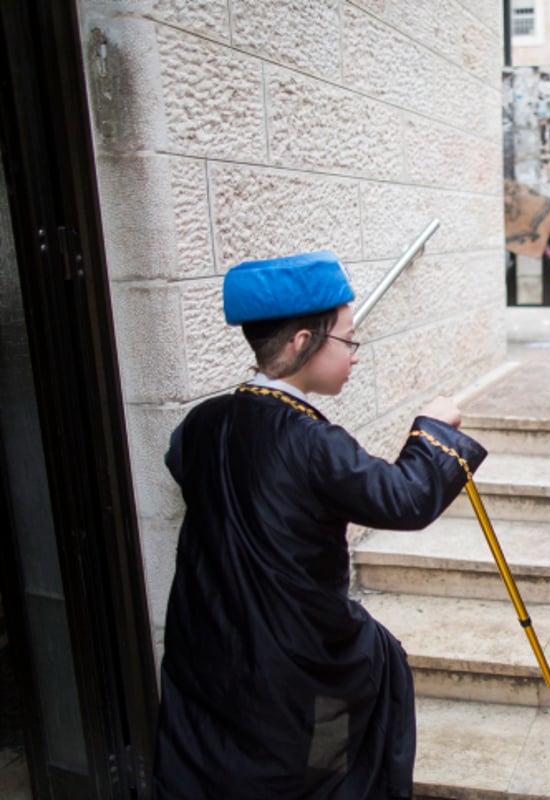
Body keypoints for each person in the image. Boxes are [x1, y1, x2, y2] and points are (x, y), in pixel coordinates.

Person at [154, 251, 486, 799]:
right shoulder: (310, 440)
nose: (355, 354)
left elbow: (180, 463)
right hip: (297, 653)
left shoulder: (203, 421)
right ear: (301, 341)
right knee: (354, 694)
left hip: (209, 637)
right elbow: (404, 500)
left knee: (220, 758)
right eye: (348, 340)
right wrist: (432, 427)